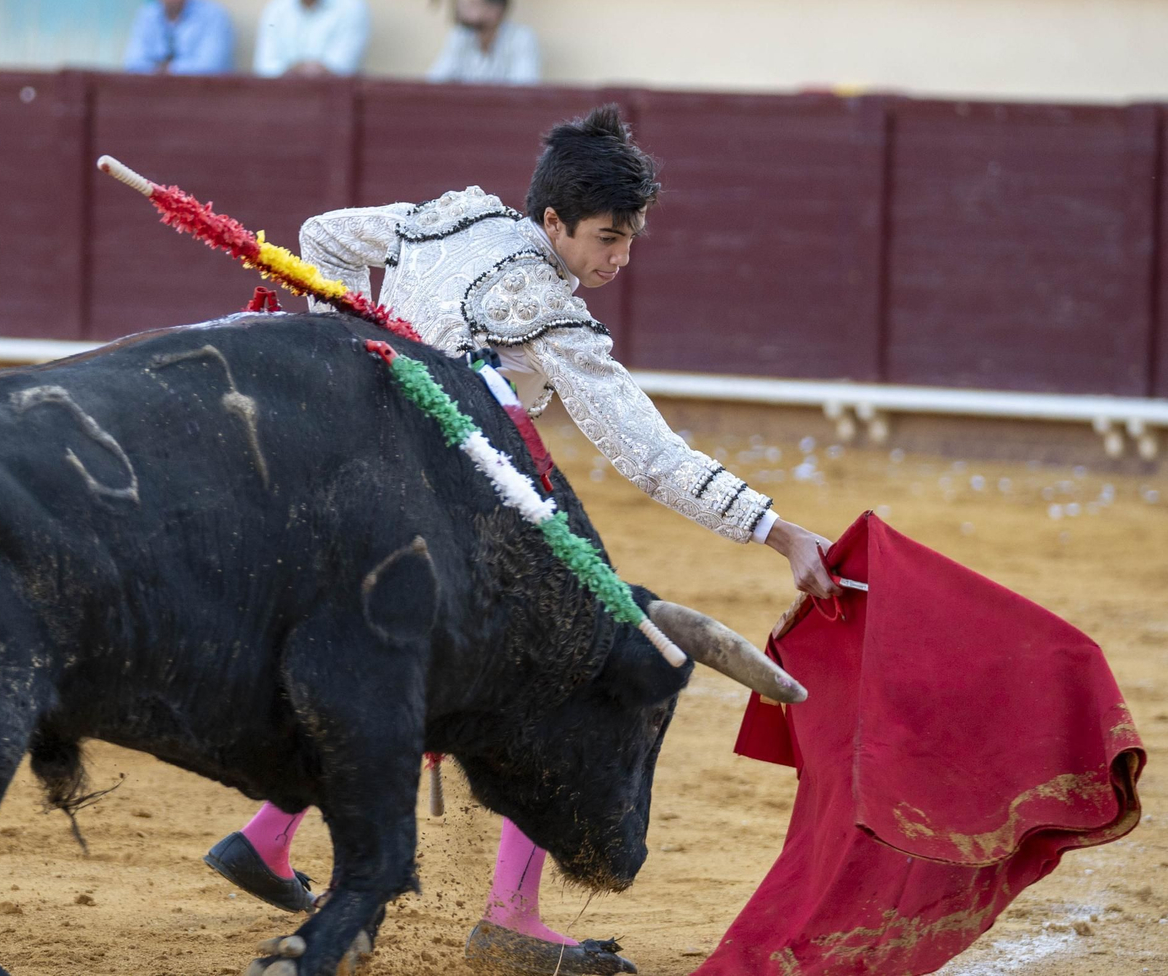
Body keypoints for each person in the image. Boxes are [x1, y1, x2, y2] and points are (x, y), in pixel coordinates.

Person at [203, 105, 839, 975]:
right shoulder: (539, 305)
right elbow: (646, 453)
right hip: (454, 517)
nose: (620, 257)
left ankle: (268, 838)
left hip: (358, 493)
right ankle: (512, 914)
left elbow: (325, 235)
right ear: (553, 222)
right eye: (608, 237)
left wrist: (353, 342)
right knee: (558, 677)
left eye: (630, 238)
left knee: (399, 679)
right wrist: (776, 530)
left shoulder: (454, 215)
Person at [122, 0, 234, 76]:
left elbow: (210, 68)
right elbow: (133, 63)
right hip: (153, 92)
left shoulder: (213, 15)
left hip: (199, 93)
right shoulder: (147, 15)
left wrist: (165, 69)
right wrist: (175, 68)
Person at [427, 0, 541, 85]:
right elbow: (435, 81)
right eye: (462, 3)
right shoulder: (460, 36)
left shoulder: (521, 38)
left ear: (495, 10)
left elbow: (524, 87)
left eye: (472, 3)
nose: (463, 9)